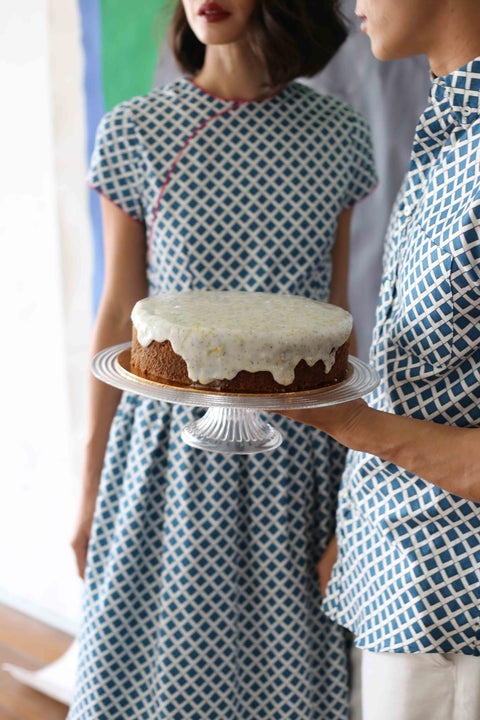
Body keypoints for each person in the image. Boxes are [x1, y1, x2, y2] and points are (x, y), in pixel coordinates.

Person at [68, 1, 377, 719]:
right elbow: (118, 313)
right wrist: (87, 492)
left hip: (297, 469)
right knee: (153, 690)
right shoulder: (137, 132)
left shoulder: (338, 136)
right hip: (164, 466)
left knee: (280, 692)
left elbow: (337, 327)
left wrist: (352, 509)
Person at [278, 1, 480, 719]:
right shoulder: (451, 132)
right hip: (403, 587)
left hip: (459, 615)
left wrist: (346, 422)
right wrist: (355, 530)